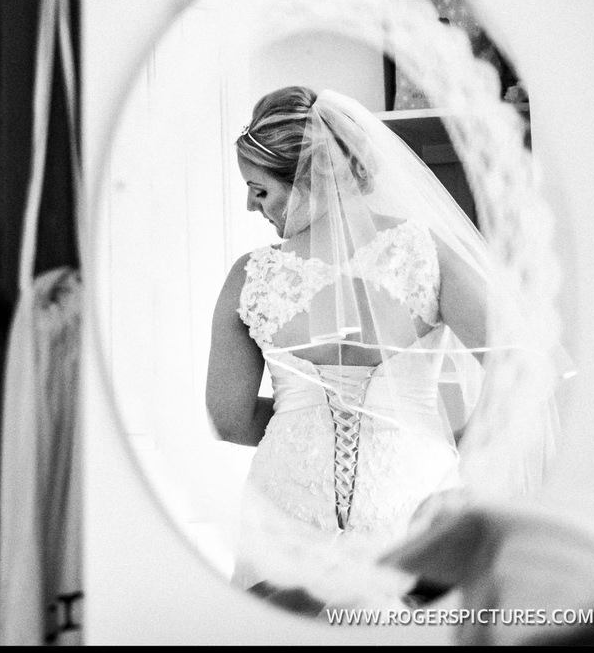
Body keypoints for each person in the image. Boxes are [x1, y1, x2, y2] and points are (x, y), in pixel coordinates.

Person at [203, 85, 562, 614]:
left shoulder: (250, 278)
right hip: (410, 496)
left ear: (307, 179)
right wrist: (447, 434)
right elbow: (522, 371)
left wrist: (298, 421)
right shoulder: (425, 254)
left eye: (260, 191)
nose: (251, 206)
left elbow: (228, 420)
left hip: (283, 508)